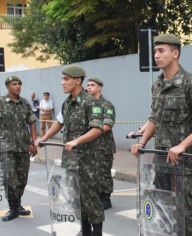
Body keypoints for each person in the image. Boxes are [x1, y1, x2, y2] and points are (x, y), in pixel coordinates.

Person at [130, 33, 192, 235]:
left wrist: (183, 145)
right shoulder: (157, 85)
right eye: (155, 51)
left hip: (185, 164)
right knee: (165, 211)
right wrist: (142, 142)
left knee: (189, 217)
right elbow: (154, 119)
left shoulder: (191, 83)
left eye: (161, 51)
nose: (156, 55)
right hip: (162, 161)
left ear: (175, 53)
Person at [37, 65, 104, 236]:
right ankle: (85, 232)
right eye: (62, 79)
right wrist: (44, 138)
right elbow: (59, 122)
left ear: (78, 81)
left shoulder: (91, 102)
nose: (62, 83)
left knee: (91, 201)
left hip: (88, 161)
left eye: (66, 79)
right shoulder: (67, 103)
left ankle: (96, 233)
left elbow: (97, 129)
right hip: (71, 160)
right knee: (76, 200)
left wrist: (77, 140)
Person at [0, 76, 37, 221]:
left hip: (23, 146)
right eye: (14, 84)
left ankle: (18, 204)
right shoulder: (1, 103)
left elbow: (32, 122)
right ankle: (13, 207)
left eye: (19, 84)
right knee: (10, 179)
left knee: (22, 178)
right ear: (7, 86)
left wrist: (33, 142)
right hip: (6, 147)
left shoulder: (25, 103)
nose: (18, 86)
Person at [86, 77, 116, 210]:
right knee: (91, 173)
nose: (89, 87)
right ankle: (95, 196)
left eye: (92, 85)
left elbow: (107, 126)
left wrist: (91, 132)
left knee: (103, 172)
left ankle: (106, 198)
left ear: (99, 88)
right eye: (87, 85)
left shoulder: (106, 105)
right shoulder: (86, 104)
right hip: (89, 146)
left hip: (103, 146)